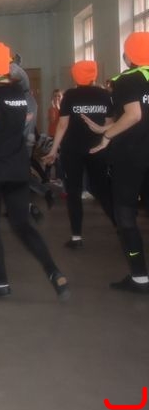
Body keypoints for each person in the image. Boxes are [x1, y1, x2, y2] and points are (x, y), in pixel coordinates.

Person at [0, 42, 69, 300]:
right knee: (23, 224)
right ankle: (54, 272)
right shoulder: (19, 92)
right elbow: (3, 121)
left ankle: (1, 284)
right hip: (18, 166)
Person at [82, 32, 149, 293]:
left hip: (130, 157)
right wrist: (105, 128)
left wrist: (107, 136)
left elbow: (133, 115)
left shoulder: (127, 80)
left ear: (129, 54)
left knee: (125, 216)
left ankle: (139, 276)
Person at [42, 61, 114, 250]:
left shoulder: (71, 95)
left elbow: (62, 125)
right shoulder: (104, 95)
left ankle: (76, 237)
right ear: (94, 75)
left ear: (75, 75)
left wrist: (53, 150)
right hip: (97, 149)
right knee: (101, 189)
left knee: (73, 192)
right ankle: (121, 225)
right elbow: (109, 124)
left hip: (72, 150)